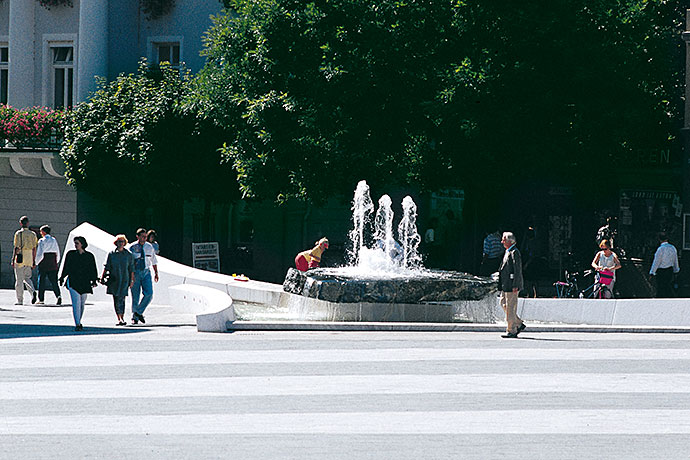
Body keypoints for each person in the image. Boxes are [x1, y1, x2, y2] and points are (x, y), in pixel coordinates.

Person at [59, 236, 99, 331]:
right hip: (73, 280)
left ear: (82, 244)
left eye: (77, 243)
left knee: (82, 303)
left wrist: (94, 280)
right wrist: (62, 277)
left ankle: (79, 320)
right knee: (76, 302)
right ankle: (77, 323)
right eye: (75, 243)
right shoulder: (71, 254)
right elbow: (66, 266)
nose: (75, 245)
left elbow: (93, 268)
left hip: (85, 281)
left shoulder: (89, 256)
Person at [102, 234, 135, 326]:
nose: (121, 243)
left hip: (124, 279)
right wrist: (103, 276)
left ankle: (122, 317)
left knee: (122, 298)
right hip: (114, 279)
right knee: (116, 298)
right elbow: (107, 266)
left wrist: (132, 280)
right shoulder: (112, 254)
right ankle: (119, 317)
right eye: (119, 242)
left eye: (122, 242)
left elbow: (131, 269)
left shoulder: (128, 255)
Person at [128, 228, 159, 324]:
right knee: (135, 295)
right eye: (142, 236)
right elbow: (129, 261)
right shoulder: (132, 247)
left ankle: (138, 312)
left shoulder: (149, 247)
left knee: (149, 294)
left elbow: (153, 260)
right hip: (135, 272)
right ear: (137, 237)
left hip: (146, 271)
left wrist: (156, 272)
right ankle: (135, 317)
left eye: (145, 236)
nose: (144, 238)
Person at [498, 232, 526, 338]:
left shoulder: (515, 252)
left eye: (504, 240)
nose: (502, 242)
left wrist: (515, 285)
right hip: (505, 284)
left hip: (511, 285)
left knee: (510, 307)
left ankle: (511, 330)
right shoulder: (508, 251)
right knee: (503, 303)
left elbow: (517, 270)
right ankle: (518, 323)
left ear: (510, 241)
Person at [11, 216, 38, 305]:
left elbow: (16, 247)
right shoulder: (33, 234)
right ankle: (32, 291)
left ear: (20, 223)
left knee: (19, 280)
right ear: (28, 223)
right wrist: (34, 260)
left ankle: (20, 300)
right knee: (27, 278)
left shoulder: (18, 233)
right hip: (29, 257)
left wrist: (13, 258)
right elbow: (34, 248)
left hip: (20, 258)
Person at [35, 225, 62, 305]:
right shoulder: (54, 240)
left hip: (44, 261)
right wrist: (56, 261)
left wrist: (36, 262)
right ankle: (58, 295)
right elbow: (57, 251)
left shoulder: (41, 241)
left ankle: (41, 299)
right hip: (52, 260)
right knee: (54, 281)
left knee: (41, 281)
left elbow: (40, 253)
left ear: (43, 232)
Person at [649, 232, 680, 298]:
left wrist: (652, 272)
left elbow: (657, 261)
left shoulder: (660, 249)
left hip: (661, 271)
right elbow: (675, 260)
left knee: (661, 287)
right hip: (670, 270)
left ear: (659, 239)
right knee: (667, 285)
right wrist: (676, 270)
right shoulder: (673, 248)